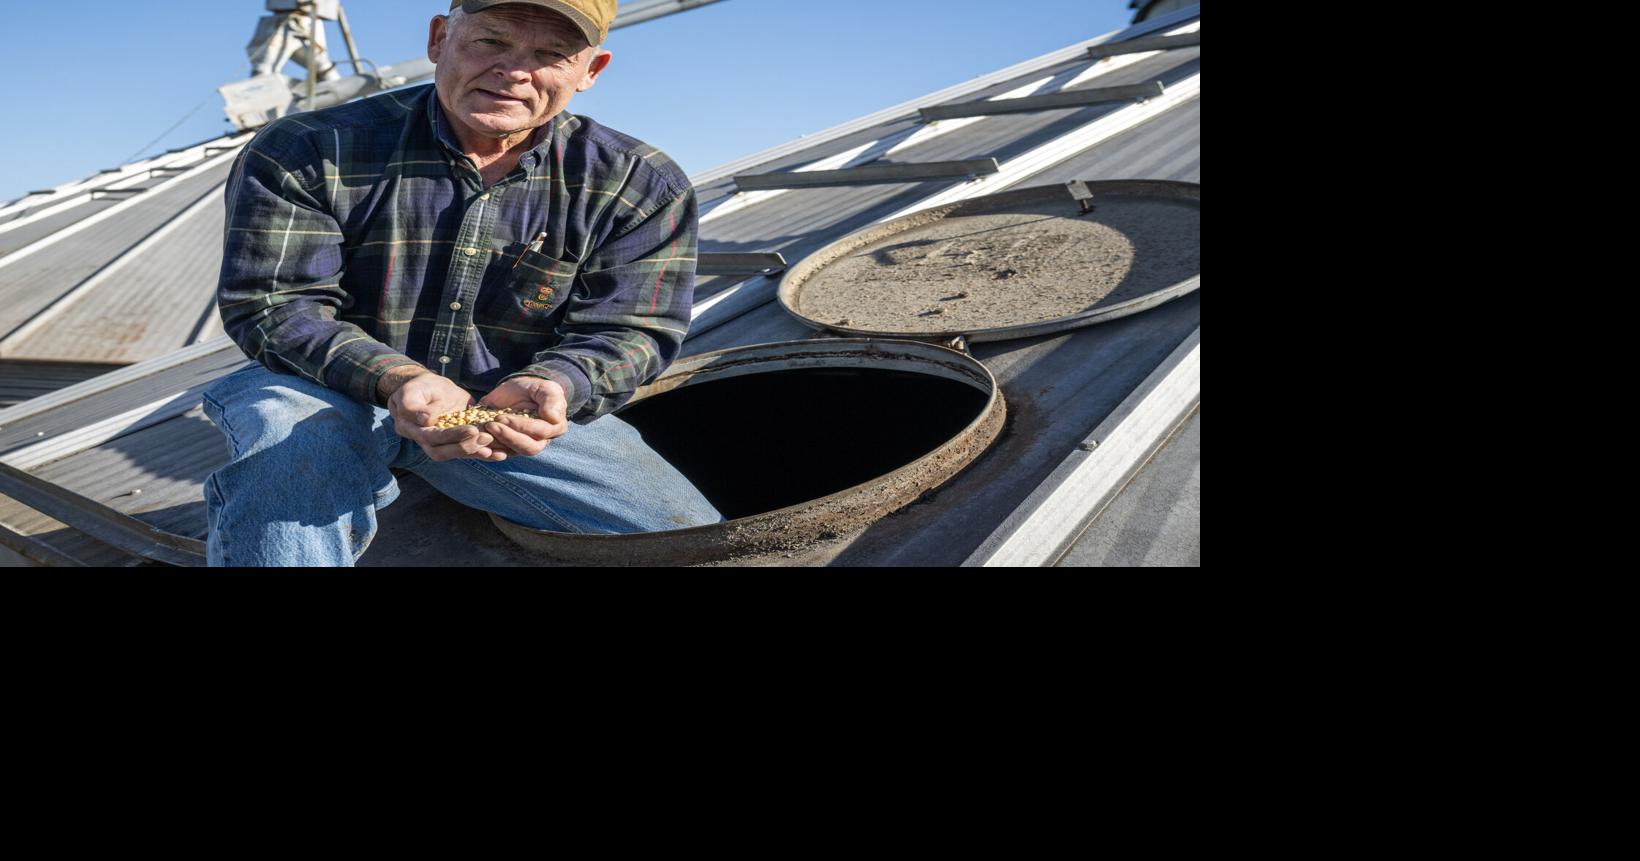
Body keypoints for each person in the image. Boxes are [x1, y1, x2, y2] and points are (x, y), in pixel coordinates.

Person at [204, 0, 722, 566]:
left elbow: (633, 329)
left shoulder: (637, 183)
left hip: (503, 411)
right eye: (491, 42)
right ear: (438, 39)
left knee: (689, 537)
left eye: (551, 55)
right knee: (295, 455)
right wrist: (395, 378)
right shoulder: (308, 149)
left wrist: (560, 382)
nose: (515, 71)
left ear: (590, 71)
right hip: (324, 385)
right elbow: (277, 306)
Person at [247, 0, 344, 82]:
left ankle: (331, 84)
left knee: (322, 65)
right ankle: (261, 85)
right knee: (264, 65)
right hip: (285, 22)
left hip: (307, 23)